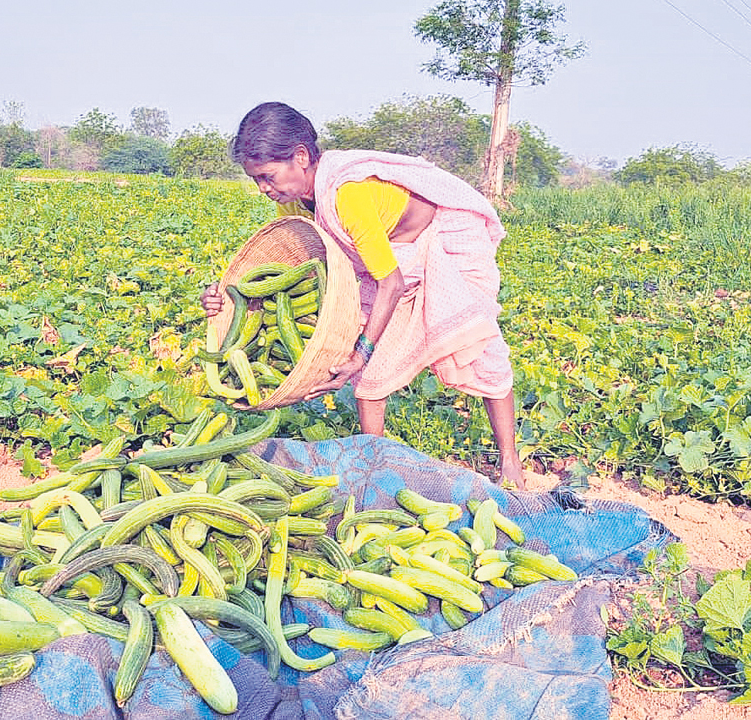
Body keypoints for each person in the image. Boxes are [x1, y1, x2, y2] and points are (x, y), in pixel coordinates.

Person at [201, 101, 525, 488]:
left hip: (441, 243)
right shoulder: (292, 201)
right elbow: (289, 267)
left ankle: (510, 460)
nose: (263, 188)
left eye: (268, 176)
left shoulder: (347, 195)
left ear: (301, 157)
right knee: (369, 372)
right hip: (386, 259)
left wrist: (362, 350)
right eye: (256, 180)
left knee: (478, 347)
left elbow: (392, 283)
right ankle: (377, 461)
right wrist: (231, 296)